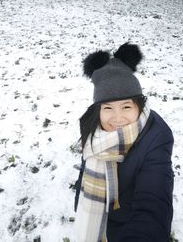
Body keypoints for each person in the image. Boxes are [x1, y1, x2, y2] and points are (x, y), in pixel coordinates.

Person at [74, 43, 174, 242]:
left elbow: (153, 205)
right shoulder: (95, 132)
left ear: (139, 105)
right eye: (108, 108)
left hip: (127, 226)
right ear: (98, 111)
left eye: (126, 106)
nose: (117, 118)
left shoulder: (156, 138)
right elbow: (85, 174)